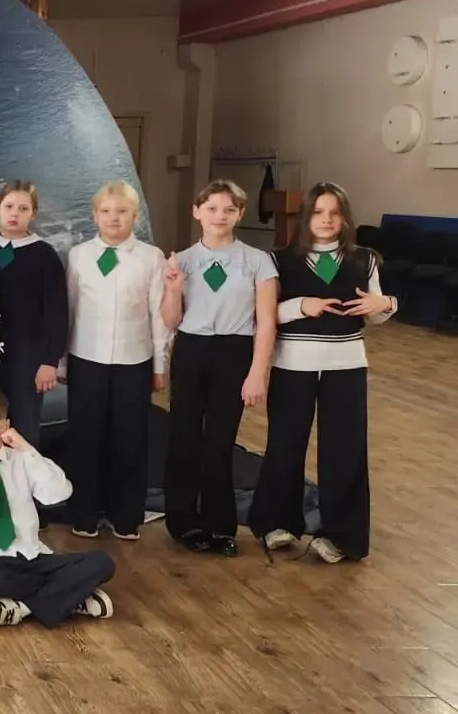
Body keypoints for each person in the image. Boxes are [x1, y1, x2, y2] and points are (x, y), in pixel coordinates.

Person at [249, 182, 394, 562]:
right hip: (292, 365)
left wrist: (385, 304)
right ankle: (277, 523)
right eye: (318, 212)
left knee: (345, 451)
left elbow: (376, 313)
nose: (326, 220)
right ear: (305, 217)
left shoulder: (365, 260)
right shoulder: (279, 260)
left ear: (345, 218)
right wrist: (300, 305)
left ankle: (342, 537)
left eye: (334, 213)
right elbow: (264, 314)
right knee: (284, 445)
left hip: (346, 367)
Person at [160, 180, 278, 557]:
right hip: (192, 349)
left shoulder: (257, 261)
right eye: (211, 208)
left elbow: (267, 322)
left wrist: (257, 372)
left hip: (234, 350)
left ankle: (220, 525)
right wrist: (173, 288)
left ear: (240, 214)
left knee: (219, 442)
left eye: (229, 209)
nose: (219, 216)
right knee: (183, 438)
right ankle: (183, 522)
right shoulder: (182, 261)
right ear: (197, 212)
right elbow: (170, 320)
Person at [0, 388, 116, 629]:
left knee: (102, 563)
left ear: (6, 426)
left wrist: (27, 448)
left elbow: (59, 493)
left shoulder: (22, 458)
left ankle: (23, 608)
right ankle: (71, 598)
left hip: (35, 555)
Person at [63, 181, 170, 541]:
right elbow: (69, 309)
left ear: (134, 216)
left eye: (122, 211)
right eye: (106, 211)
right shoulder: (79, 256)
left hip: (133, 359)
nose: (113, 218)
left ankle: (126, 516)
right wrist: (62, 361)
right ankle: (85, 513)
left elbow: (158, 315)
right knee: (86, 437)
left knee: (130, 438)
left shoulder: (151, 257)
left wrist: (159, 365)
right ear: (95, 215)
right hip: (85, 358)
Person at [0, 181, 67, 449]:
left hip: (29, 357)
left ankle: (25, 476)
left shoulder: (44, 255)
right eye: (9, 206)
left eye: (23, 208)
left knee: (23, 424)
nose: (15, 213)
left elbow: (57, 312)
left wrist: (50, 361)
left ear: (33, 214)